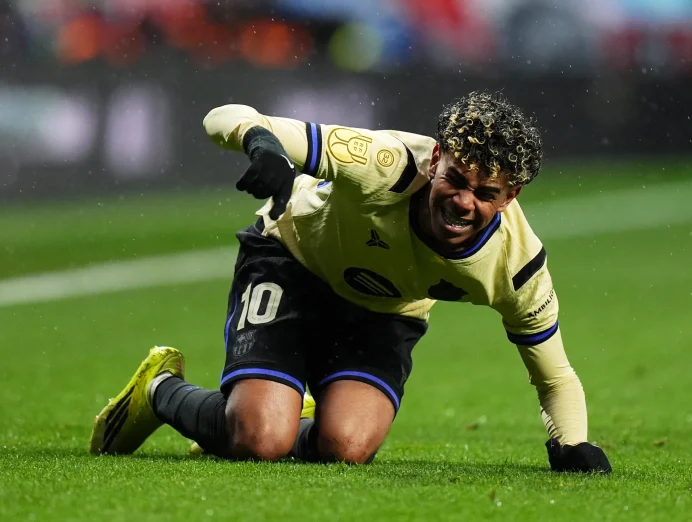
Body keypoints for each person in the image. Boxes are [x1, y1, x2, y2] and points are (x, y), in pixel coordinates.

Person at [90, 91, 611, 472]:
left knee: (346, 448)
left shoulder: (516, 265)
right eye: (455, 179)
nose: (462, 201)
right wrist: (261, 144)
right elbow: (222, 115)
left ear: (511, 195)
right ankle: (160, 390)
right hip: (293, 258)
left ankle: (251, 415)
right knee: (259, 439)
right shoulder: (383, 162)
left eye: (485, 192)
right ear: (436, 159)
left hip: (385, 310)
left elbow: (555, 376)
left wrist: (572, 445)